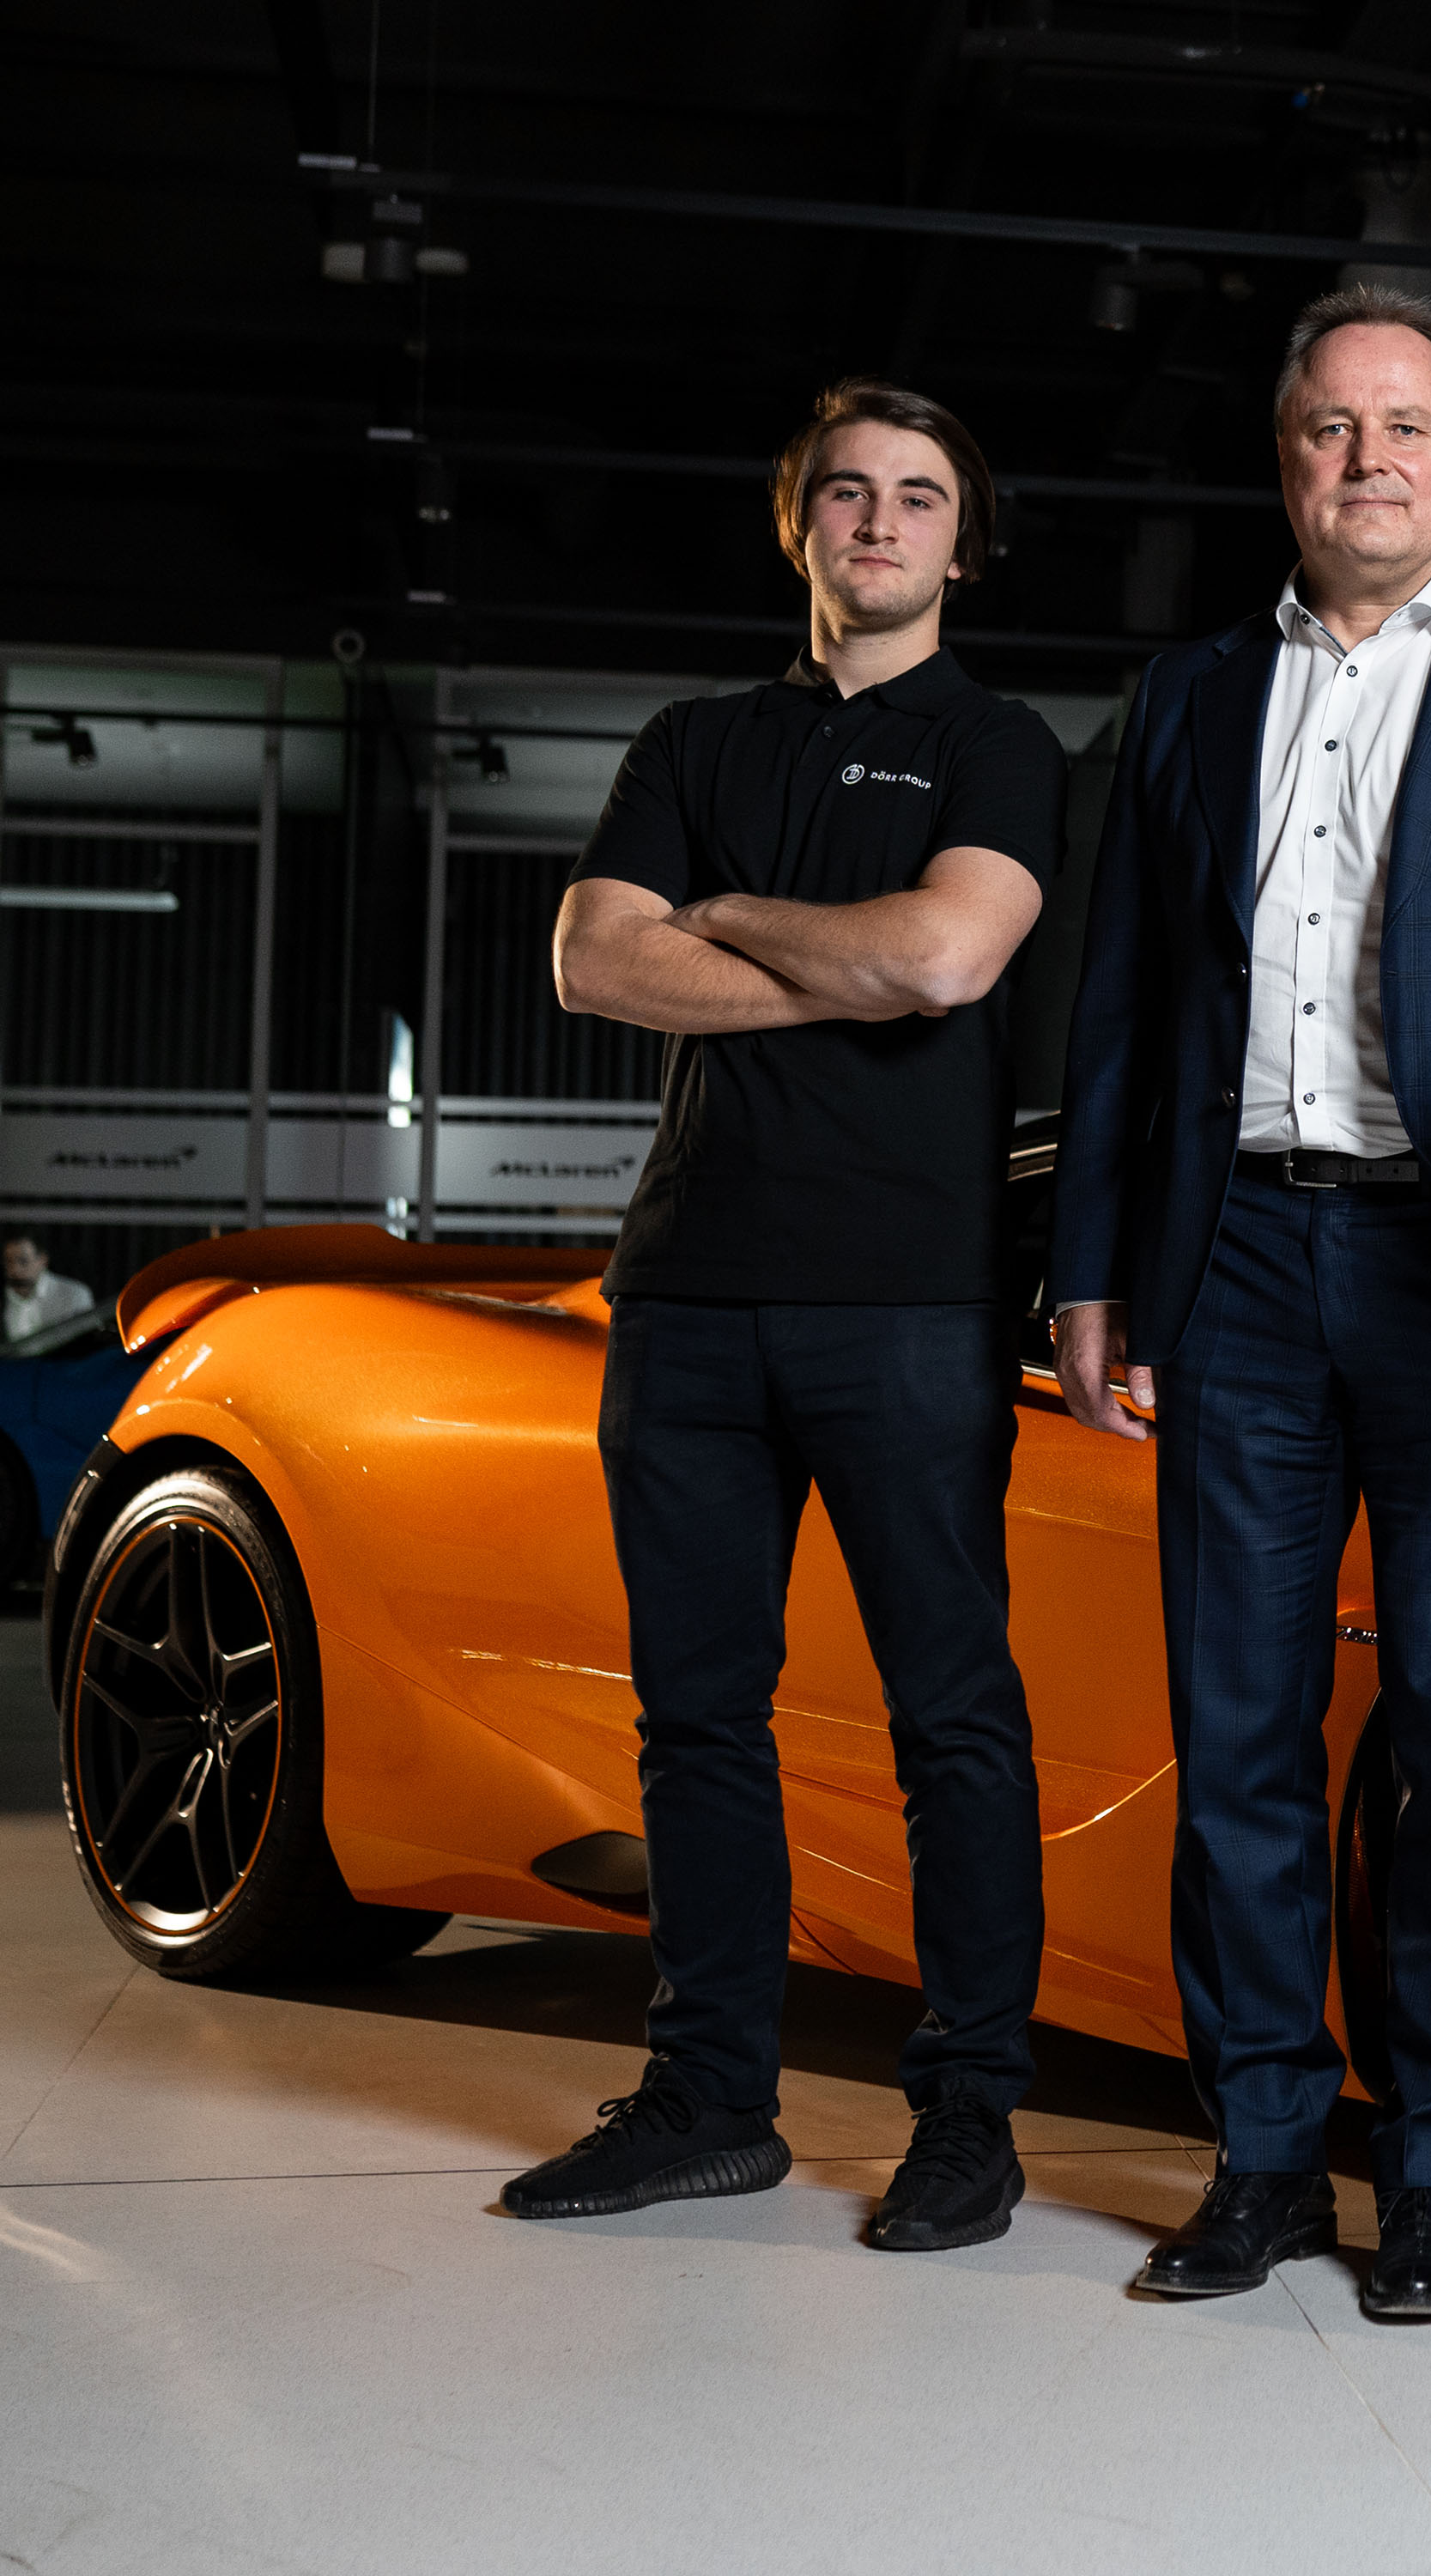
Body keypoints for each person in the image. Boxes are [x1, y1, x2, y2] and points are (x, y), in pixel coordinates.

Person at [1049, 286, 1431, 2321]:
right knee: (1234, 1717)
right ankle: (1258, 2153)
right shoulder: (1188, 694)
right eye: (1331, 427)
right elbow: (1126, 999)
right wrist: (1093, 1266)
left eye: (1405, 426)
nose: (1367, 459)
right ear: (1284, 461)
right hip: (1229, 1256)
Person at [506, 378, 1068, 2255]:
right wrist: (849, 959)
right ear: (798, 523)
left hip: (908, 1301)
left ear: (961, 547)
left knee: (952, 1719)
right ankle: (708, 2102)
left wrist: (728, 914)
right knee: (696, 1720)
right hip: (686, 1292)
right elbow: (596, 960)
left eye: (919, 496)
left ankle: (969, 2119)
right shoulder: (694, 737)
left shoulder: (997, 745)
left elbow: (949, 953)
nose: (881, 520)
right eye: (848, 491)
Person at [0, 1236, 95, 1345]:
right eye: (9, 1262)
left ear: (42, 1260)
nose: (15, 1269)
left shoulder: (75, 1295)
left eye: (23, 1261)